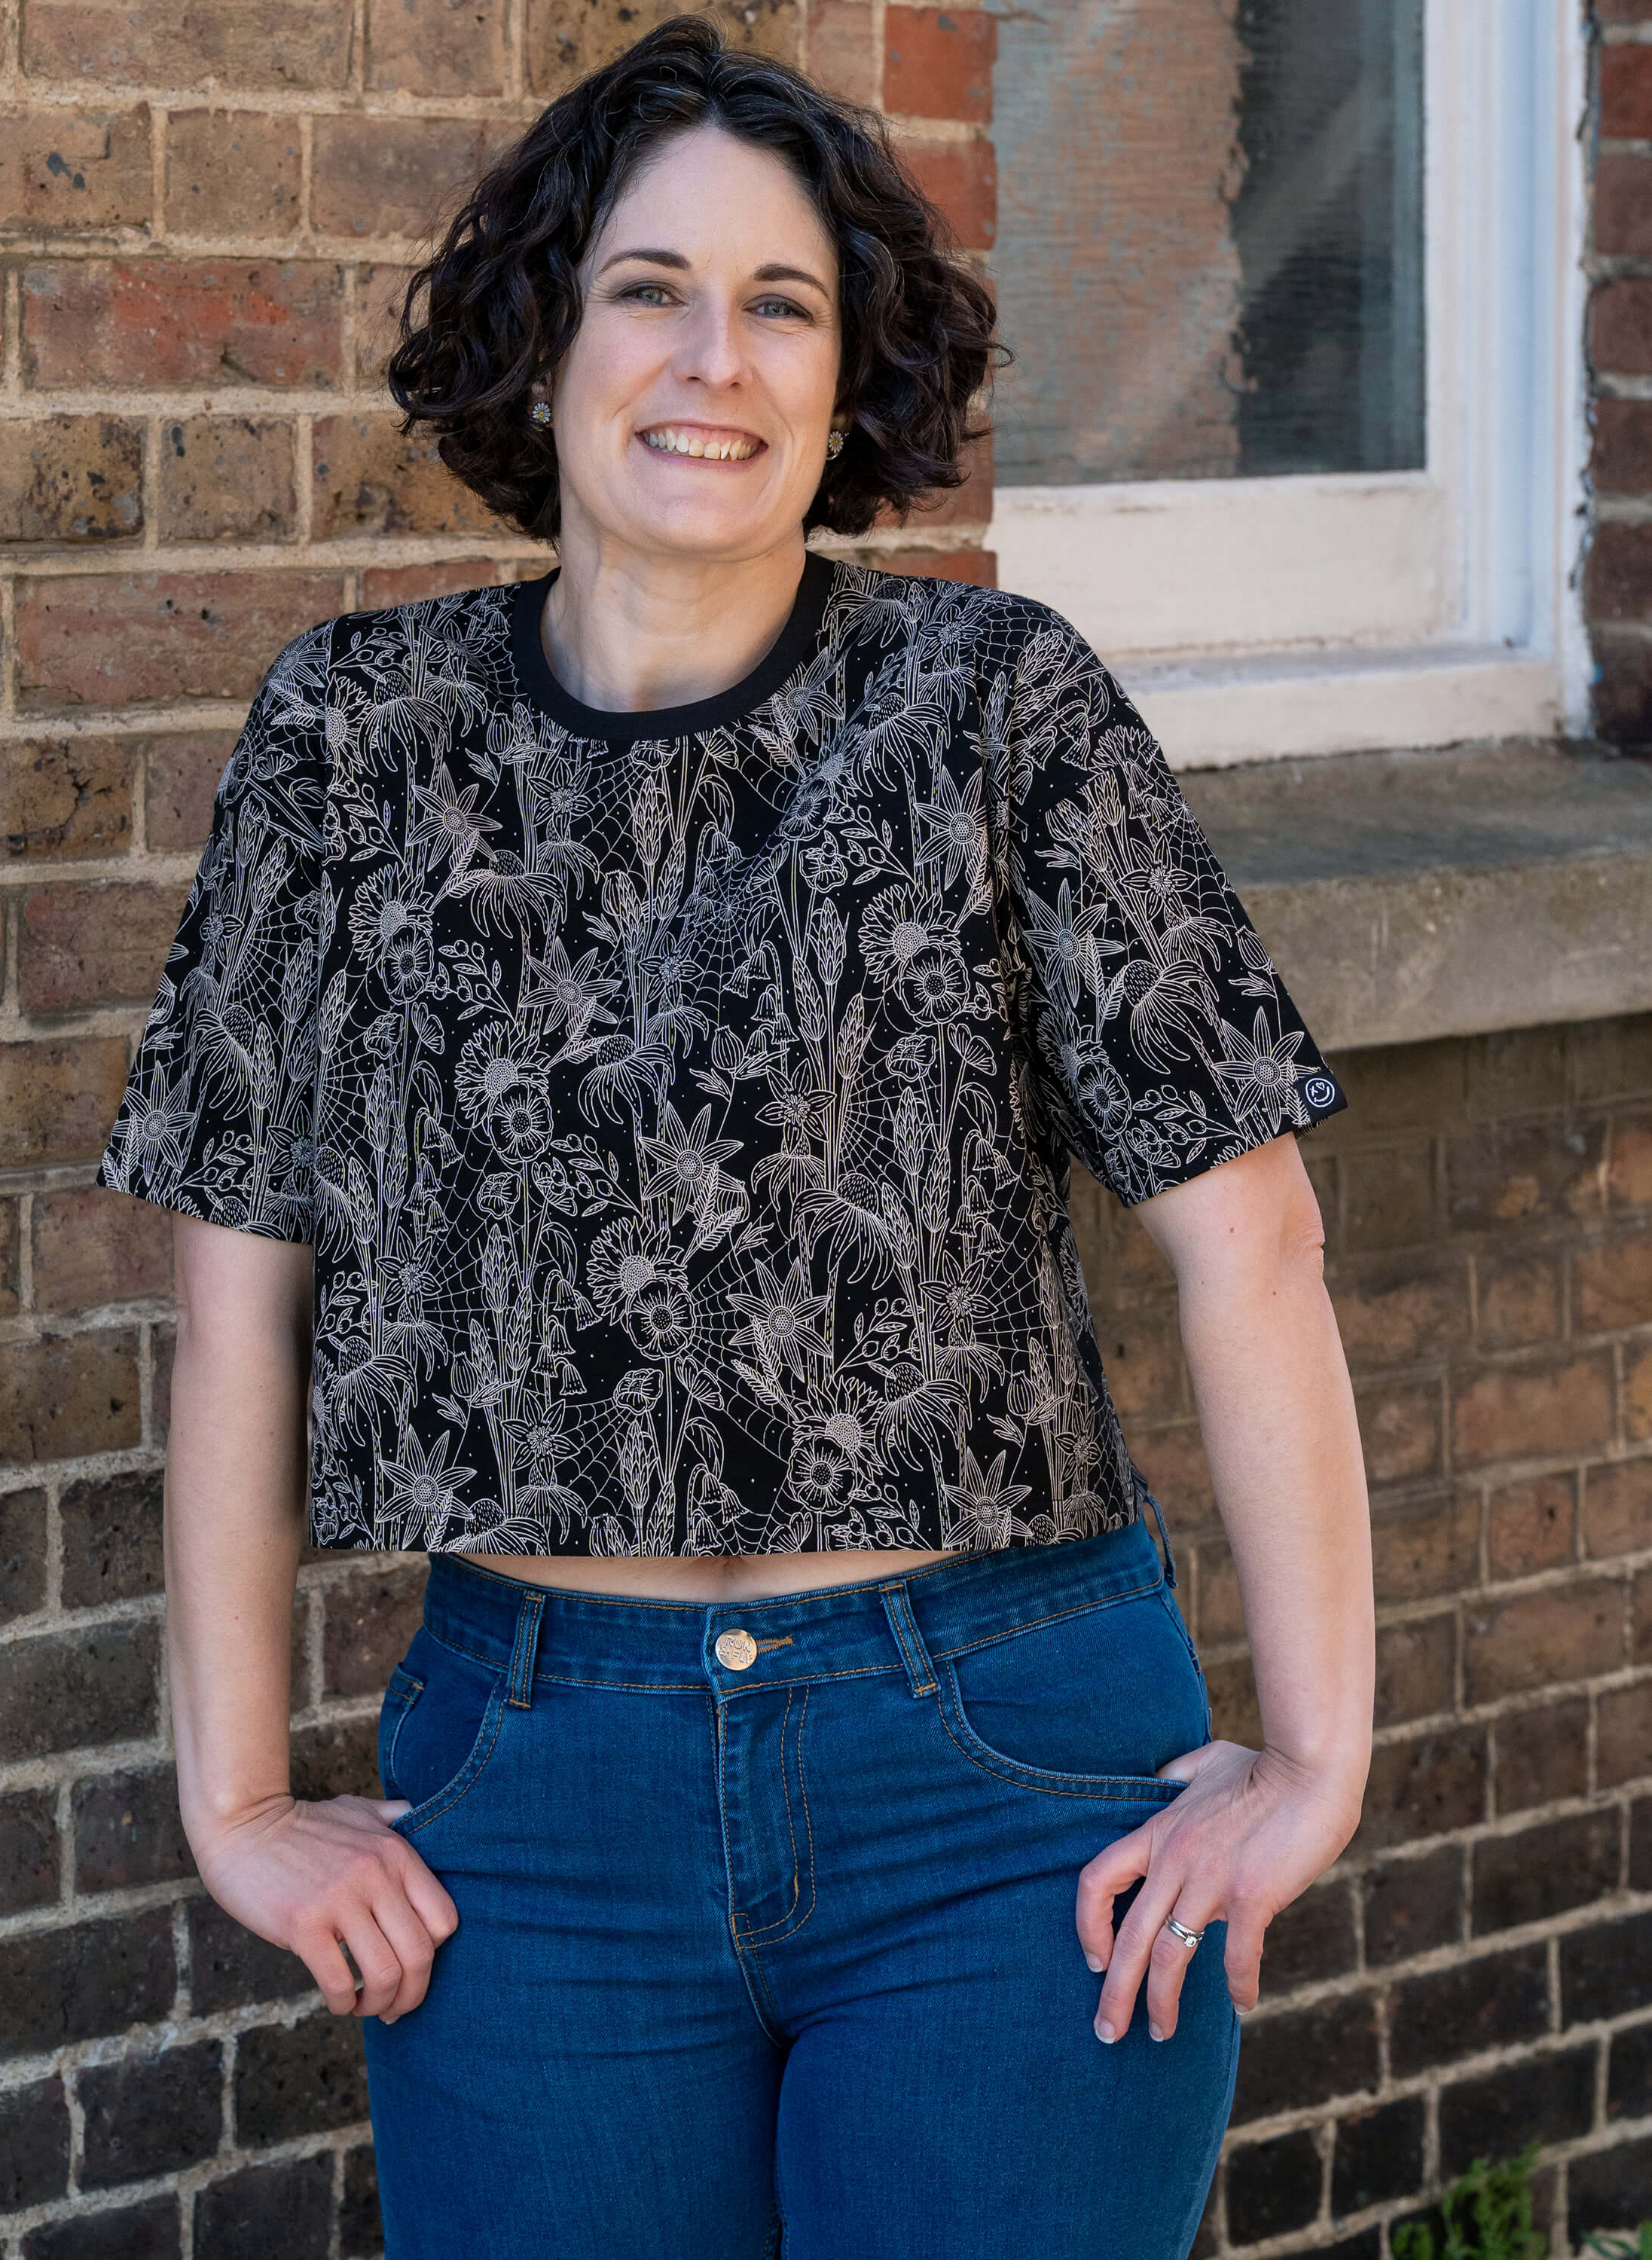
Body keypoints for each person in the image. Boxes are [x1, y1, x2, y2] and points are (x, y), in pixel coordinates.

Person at [94, 19, 1374, 2258]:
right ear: (548, 338)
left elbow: (1249, 1235)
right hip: (536, 1791)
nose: (716, 358)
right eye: (650, 288)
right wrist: (227, 1797)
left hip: (1005, 1783)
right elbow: (235, 1312)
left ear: (848, 369)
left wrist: (1318, 1758)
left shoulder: (996, 707)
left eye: (783, 303)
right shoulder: (352, 745)